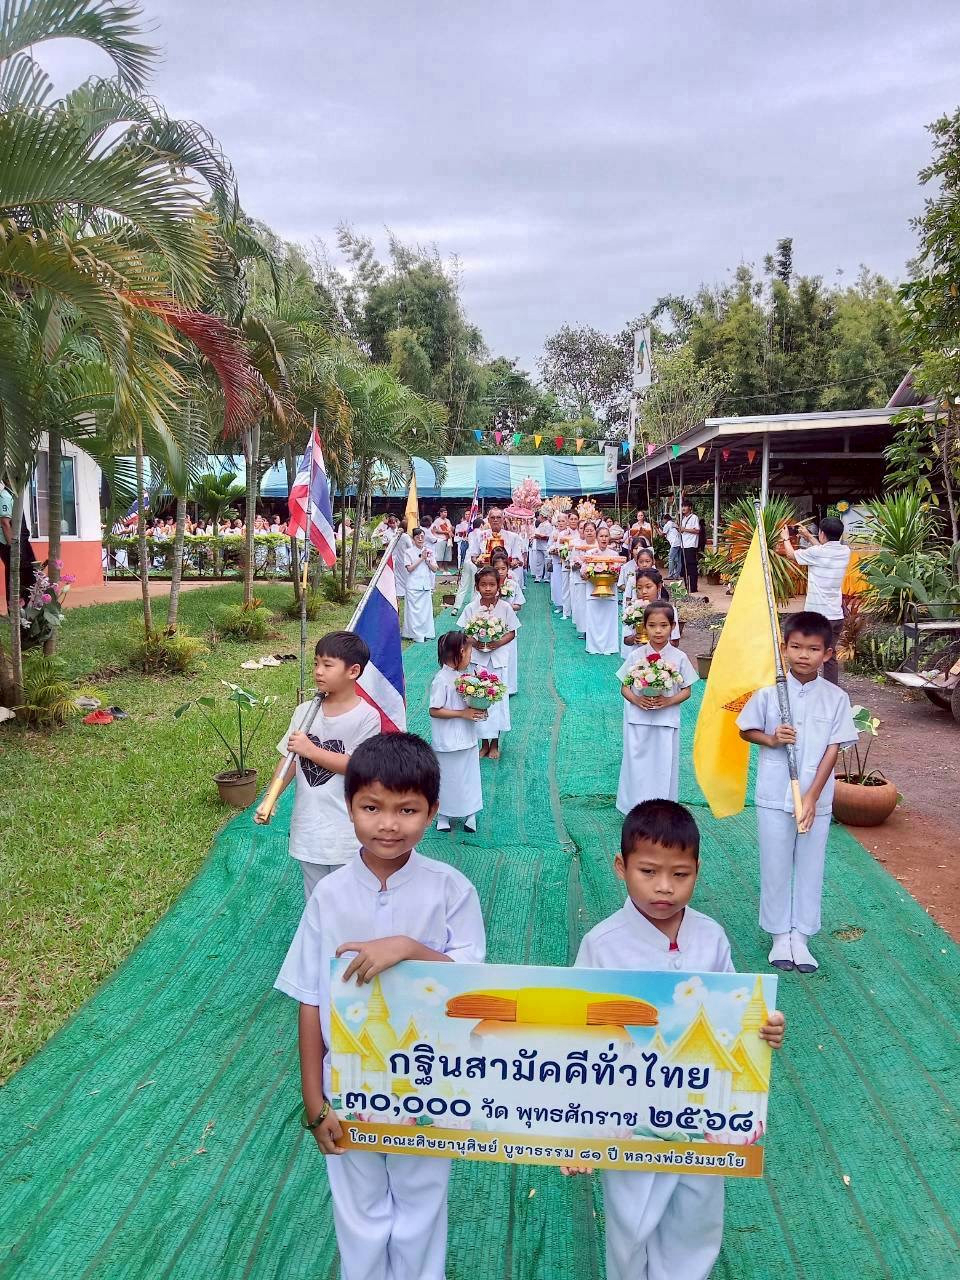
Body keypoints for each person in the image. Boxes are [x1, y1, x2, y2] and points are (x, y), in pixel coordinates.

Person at [274, 733, 485, 1280]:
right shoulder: (331, 895)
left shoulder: (451, 890)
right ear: (350, 809)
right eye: (372, 807)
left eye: (407, 809)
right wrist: (314, 1099)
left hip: (430, 1084)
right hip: (350, 1085)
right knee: (360, 1209)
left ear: (432, 811)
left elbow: (472, 988)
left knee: (420, 1205)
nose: (388, 824)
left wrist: (409, 949)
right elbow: (310, 997)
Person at [566, 799, 786, 1280]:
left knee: (697, 1217)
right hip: (629, 1112)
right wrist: (579, 1127)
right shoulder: (602, 945)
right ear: (621, 868)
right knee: (632, 1223)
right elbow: (577, 1041)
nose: (665, 887)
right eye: (649, 871)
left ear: (698, 871)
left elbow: (736, 1014)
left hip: (699, 1111)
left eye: (680, 874)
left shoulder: (711, 938)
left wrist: (763, 1027)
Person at [737, 610, 857, 973]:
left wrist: (811, 797)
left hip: (815, 799)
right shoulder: (769, 693)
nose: (804, 655)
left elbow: (833, 749)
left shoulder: (836, 698)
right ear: (784, 648)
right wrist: (772, 739)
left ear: (828, 653)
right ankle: (778, 935)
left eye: (813, 648)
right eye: (796, 647)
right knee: (775, 863)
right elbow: (746, 729)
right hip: (774, 794)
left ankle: (801, 936)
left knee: (810, 864)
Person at [254, 632, 381, 901]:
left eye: (327, 665)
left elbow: (360, 766)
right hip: (309, 825)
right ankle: (321, 940)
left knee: (349, 897)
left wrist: (311, 750)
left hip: (346, 830)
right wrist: (270, 797)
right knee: (317, 896)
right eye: (315, 664)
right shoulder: (304, 712)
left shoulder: (366, 717)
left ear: (353, 671)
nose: (318, 672)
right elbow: (289, 760)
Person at [616, 602, 697, 814]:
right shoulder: (636, 655)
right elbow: (624, 687)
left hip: (666, 719)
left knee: (663, 763)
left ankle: (662, 809)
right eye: (652, 625)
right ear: (644, 626)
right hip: (638, 718)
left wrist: (668, 701)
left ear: (673, 626)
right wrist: (636, 700)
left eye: (663, 625)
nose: (658, 630)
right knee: (637, 762)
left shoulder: (679, 657)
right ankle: (633, 807)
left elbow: (687, 690)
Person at [779, 517, 851, 685]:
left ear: (822, 533)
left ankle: (805, 687)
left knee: (807, 653)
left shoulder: (816, 553)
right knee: (829, 656)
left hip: (817, 617)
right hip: (835, 615)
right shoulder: (845, 551)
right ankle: (831, 691)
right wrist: (809, 536)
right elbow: (824, 550)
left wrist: (785, 538)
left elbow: (791, 555)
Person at [458, 566, 518, 759]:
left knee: (497, 700)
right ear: (477, 587)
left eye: (492, 584)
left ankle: (495, 743)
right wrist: (474, 642)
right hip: (478, 660)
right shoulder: (471, 608)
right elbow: (464, 632)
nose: (488, 588)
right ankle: (483, 742)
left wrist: (496, 643)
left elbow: (512, 632)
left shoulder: (505, 607)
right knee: (480, 697)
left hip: (498, 660)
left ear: (499, 586)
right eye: (483, 584)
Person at [429, 630, 485, 832]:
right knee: (447, 777)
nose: (470, 658)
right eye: (469, 654)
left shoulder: (466, 677)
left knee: (469, 776)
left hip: (467, 738)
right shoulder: (441, 679)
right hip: (446, 740)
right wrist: (462, 714)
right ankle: (443, 815)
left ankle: (471, 814)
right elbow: (434, 710)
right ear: (460, 652)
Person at [621, 567, 679, 657]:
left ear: (659, 586)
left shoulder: (669, 609)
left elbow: (675, 641)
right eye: (639, 588)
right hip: (638, 656)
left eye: (648, 587)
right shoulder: (631, 610)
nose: (643, 592)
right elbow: (626, 640)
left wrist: (658, 642)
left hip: (663, 657)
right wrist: (634, 638)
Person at [584, 526, 621, 655]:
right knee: (594, 620)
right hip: (592, 592)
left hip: (610, 593)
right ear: (597, 537)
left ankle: (609, 647)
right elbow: (583, 574)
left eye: (606, 536)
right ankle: (593, 647)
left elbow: (618, 576)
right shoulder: (590, 554)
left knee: (608, 620)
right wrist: (589, 573)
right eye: (601, 536)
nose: (604, 539)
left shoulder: (615, 555)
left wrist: (613, 575)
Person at [401, 527, 438, 643]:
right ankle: (415, 634)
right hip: (413, 585)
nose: (420, 539)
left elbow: (435, 569)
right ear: (413, 539)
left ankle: (427, 632)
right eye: (418, 537)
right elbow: (409, 568)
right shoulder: (408, 552)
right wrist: (421, 558)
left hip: (425, 584)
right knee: (414, 611)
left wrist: (427, 560)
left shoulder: (429, 551)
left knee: (425, 611)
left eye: (422, 536)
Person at [570, 519, 598, 636]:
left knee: (594, 605)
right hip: (580, 579)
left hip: (595, 581)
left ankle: (594, 630)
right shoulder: (577, 546)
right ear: (583, 532)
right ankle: (585, 630)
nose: (589, 533)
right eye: (587, 530)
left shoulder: (598, 546)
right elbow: (571, 563)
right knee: (582, 605)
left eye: (591, 530)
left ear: (595, 532)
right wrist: (578, 565)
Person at [547, 512, 568, 614]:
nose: (560, 523)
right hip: (556, 562)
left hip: (566, 563)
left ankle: (567, 605)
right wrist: (552, 551)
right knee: (556, 584)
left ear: (567, 522)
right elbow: (548, 546)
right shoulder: (553, 533)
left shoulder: (569, 533)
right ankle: (559, 604)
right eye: (559, 521)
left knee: (565, 585)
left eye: (563, 521)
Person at [678, 500, 700, 593]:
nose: (683, 508)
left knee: (691, 566)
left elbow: (697, 530)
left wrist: (685, 529)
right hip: (684, 545)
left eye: (685, 506)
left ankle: (693, 587)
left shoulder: (694, 517)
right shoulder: (683, 519)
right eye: (682, 506)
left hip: (691, 545)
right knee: (684, 566)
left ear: (690, 508)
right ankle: (687, 586)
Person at [530, 511, 552, 582]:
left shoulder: (548, 525)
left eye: (539, 515)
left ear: (542, 516)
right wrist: (536, 536)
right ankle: (538, 577)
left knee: (547, 562)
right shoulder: (540, 524)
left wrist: (540, 537)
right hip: (539, 546)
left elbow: (549, 537)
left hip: (546, 547)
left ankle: (546, 578)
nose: (538, 517)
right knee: (538, 562)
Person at [661, 513, 683, 581]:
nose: (663, 521)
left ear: (665, 519)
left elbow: (662, 535)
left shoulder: (667, 525)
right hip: (680, 543)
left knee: (671, 559)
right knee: (678, 560)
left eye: (663, 520)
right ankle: (677, 575)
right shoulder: (673, 524)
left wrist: (656, 528)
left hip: (674, 543)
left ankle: (671, 575)